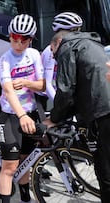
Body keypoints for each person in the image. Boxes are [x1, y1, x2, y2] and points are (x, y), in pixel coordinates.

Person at [43, 28, 110, 202]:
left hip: (102, 113)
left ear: (57, 43)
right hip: (104, 107)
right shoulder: (93, 43)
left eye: (52, 51)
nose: (53, 56)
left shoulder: (67, 48)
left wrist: (54, 118)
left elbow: (65, 91)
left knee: (105, 170)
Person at [0, 14, 45, 203]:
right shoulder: (4, 60)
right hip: (11, 115)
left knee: (26, 162)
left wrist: (26, 82)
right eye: (14, 38)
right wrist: (22, 115)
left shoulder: (34, 55)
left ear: (30, 40)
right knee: (10, 166)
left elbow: (42, 85)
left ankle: (25, 197)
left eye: (23, 40)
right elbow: (8, 91)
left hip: (30, 113)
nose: (17, 43)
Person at [41, 12, 83, 102]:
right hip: (51, 97)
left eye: (78, 30)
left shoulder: (76, 48)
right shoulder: (50, 50)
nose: (76, 34)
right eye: (73, 31)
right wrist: (60, 106)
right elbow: (48, 85)